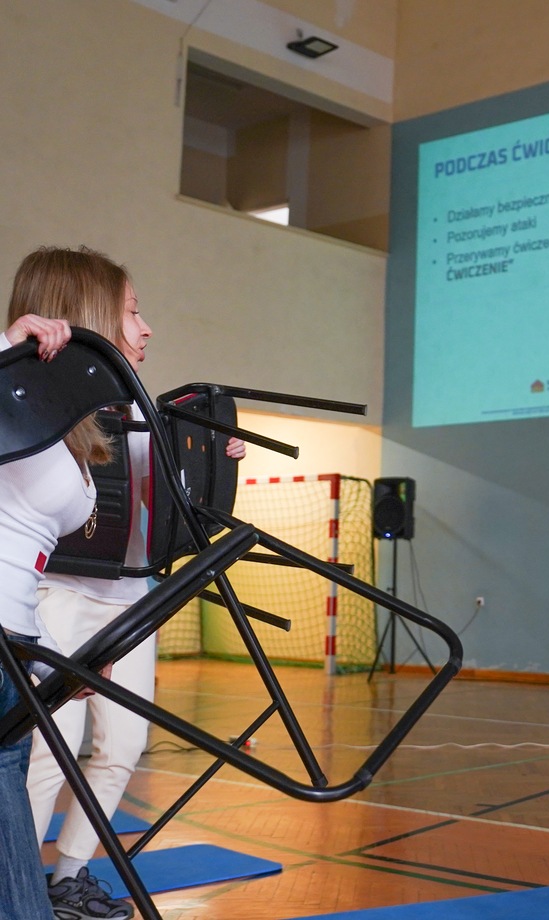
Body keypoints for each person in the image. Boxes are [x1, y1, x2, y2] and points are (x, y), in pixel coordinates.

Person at [9, 247, 245, 920]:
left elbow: (181, 509)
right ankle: (19, 886)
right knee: (45, 753)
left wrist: (216, 463)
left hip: (126, 605)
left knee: (123, 747)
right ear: (87, 317)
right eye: (133, 313)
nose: (146, 329)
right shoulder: (38, 418)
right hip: (50, 600)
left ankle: (67, 879)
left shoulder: (137, 419)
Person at [0, 307, 96, 920]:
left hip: (16, 643)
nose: (146, 328)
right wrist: (5, 348)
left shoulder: (71, 424)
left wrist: (54, 660)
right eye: (131, 310)